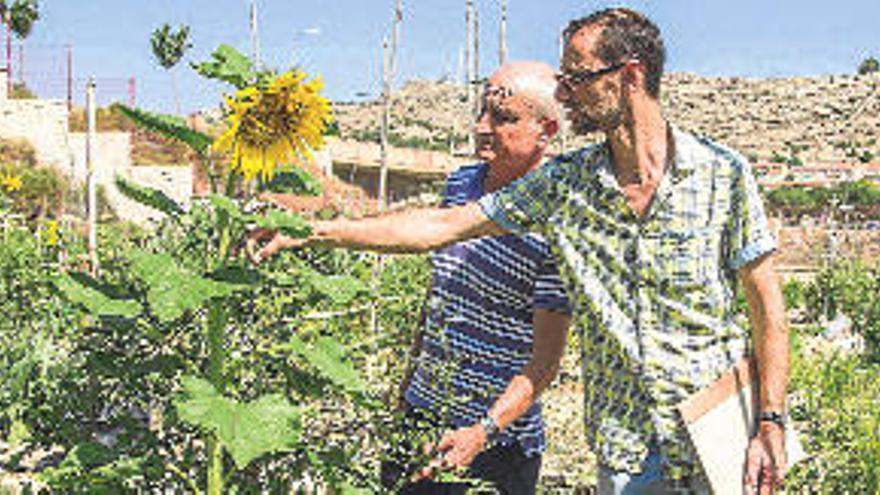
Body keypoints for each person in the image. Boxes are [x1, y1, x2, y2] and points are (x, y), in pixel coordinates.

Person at [254, 9, 789, 494]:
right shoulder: (564, 185)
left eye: (576, 76)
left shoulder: (724, 174)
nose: (564, 89)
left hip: (721, 435)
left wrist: (771, 423)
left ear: (629, 77)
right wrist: (314, 231)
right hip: (627, 453)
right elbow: (442, 227)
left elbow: (768, 310)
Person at [263, 61, 572, 494]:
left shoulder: (558, 217)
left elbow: (545, 363)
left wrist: (481, 431)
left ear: (547, 129)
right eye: (482, 113)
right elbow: (439, 293)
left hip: (493, 444)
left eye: (503, 118)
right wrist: (409, 384)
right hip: (422, 417)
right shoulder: (464, 183)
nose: (483, 127)